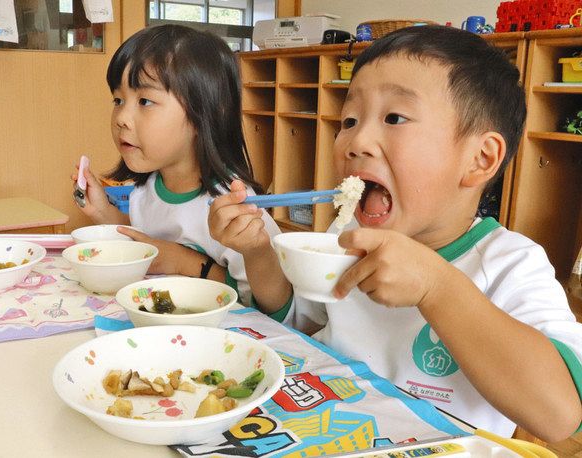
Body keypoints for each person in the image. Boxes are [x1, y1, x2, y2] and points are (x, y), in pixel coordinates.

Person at [208, 25, 582, 441]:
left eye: (394, 118)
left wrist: (436, 288)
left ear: (480, 159)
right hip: (326, 427)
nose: (356, 141)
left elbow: (560, 414)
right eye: (349, 120)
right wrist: (257, 249)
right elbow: (300, 319)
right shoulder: (347, 231)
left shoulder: (509, 262)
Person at [71, 24, 286, 309]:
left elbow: (265, 306)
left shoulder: (236, 207)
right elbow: (146, 242)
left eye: (145, 101)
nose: (122, 117)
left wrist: (182, 261)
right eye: (118, 100)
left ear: (204, 113)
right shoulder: (147, 189)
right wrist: (103, 212)